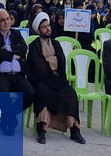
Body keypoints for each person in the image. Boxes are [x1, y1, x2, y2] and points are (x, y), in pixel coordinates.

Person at [27, 12, 85, 144]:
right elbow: (39, 66)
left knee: (71, 93)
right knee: (43, 93)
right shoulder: (34, 45)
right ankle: (42, 129)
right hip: (42, 80)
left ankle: (75, 130)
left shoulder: (56, 43)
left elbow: (62, 62)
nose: (48, 29)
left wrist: (48, 60)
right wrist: (52, 62)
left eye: (48, 26)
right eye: (44, 27)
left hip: (57, 79)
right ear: (38, 30)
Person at [0, 9, 35, 136]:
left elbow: (24, 49)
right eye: (2, 20)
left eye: (7, 18)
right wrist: (15, 56)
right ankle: (11, 121)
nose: (6, 22)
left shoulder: (16, 34)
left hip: (16, 74)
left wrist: (9, 49)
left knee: (30, 93)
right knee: (3, 94)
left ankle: (7, 116)